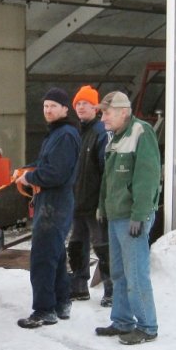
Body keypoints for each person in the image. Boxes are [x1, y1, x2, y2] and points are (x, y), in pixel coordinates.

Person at [95, 91, 161, 345]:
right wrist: (102, 207)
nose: (102, 118)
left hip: (132, 218)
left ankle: (147, 326)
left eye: (106, 113)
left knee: (136, 274)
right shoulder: (116, 137)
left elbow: (147, 177)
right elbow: (109, 179)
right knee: (120, 273)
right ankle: (122, 320)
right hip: (116, 216)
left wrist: (140, 214)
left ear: (123, 111)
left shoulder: (141, 133)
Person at [15, 87, 81, 329]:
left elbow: (55, 173)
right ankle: (62, 302)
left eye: (53, 105)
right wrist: (26, 169)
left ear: (65, 109)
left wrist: (30, 178)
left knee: (43, 256)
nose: (48, 110)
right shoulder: (57, 133)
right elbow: (45, 164)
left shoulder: (64, 135)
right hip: (52, 200)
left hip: (55, 201)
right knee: (56, 252)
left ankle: (44, 310)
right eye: (45, 106)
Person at [67, 85, 113, 307]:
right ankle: (79, 287)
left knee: (102, 246)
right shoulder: (77, 134)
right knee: (76, 245)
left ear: (96, 106)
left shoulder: (100, 134)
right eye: (77, 103)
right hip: (77, 202)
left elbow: (107, 171)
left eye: (85, 103)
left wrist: (103, 203)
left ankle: (111, 290)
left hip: (94, 204)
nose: (81, 107)